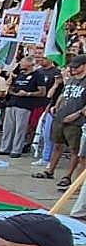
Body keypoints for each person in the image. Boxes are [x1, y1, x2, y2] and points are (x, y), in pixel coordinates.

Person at [34, 55, 86, 185]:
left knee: (75, 149)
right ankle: (50, 170)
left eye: (76, 66)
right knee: (57, 145)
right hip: (61, 116)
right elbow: (63, 94)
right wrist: (56, 106)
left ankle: (68, 176)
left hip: (76, 120)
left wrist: (77, 114)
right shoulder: (71, 80)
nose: (73, 69)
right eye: (72, 66)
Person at [0, 55, 48, 158]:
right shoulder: (21, 74)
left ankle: (16, 150)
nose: (20, 64)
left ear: (29, 64)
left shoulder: (38, 75)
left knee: (20, 129)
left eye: (22, 62)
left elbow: (42, 92)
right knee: (8, 128)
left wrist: (28, 94)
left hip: (24, 105)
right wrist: (10, 87)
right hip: (12, 103)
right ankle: (5, 148)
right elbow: (13, 88)